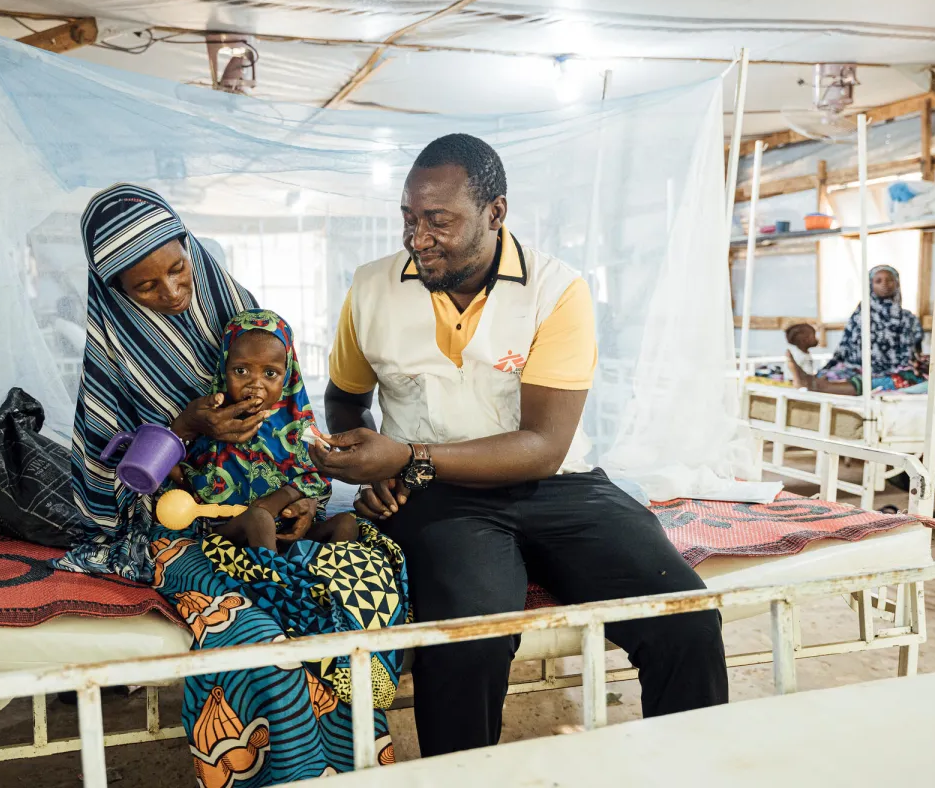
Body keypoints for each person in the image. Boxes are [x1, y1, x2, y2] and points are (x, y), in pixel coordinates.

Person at [309, 134, 728, 757]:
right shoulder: (370, 289)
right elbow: (345, 397)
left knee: (686, 619)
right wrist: (371, 462)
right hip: (445, 497)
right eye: (408, 218)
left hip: (560, 485)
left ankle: (695, 768)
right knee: (467, 641)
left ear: (494, 214)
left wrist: (405, 458)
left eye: (438, 221)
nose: (416, 237)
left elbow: (544, 445)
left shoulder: (555, 290)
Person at [57, 183, 404, 784]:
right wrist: (185, 425)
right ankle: (282, 771)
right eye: (145, 286)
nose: (171, 292)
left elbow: (297, 429)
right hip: (182, 525)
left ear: (191, 249)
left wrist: (299, 500)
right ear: (116, 293)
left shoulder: (243, 322)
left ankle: (355, 771)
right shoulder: (114, 350)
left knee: (348, 612)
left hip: (270, 518)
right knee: (254, 637)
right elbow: (105, 475)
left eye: (178, 268)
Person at [182, 309, 361, 550]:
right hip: (230, 533)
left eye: (270, 373)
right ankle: (274, 579)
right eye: (241, 371)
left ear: (287, 376)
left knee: (347, 523)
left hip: (289, 528)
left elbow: (319, 479)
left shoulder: (300, 429)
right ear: (224, 369)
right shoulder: (213, 422)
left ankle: (323, 575)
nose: (255, 384)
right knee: (258, 518)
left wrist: (285, 500)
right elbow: (189, 474)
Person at [788, 265, 925, 395]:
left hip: (896, 369)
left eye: (890, 280)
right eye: (878, 281)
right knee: (834, 374)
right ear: (870, 285)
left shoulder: (908, 318)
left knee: (890, 381)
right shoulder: (860, 315)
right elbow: (845, 347)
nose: (885, 284)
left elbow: (916, 352)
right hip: (857, 366)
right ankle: (812, 381)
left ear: (897, 284)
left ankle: (818, 386)